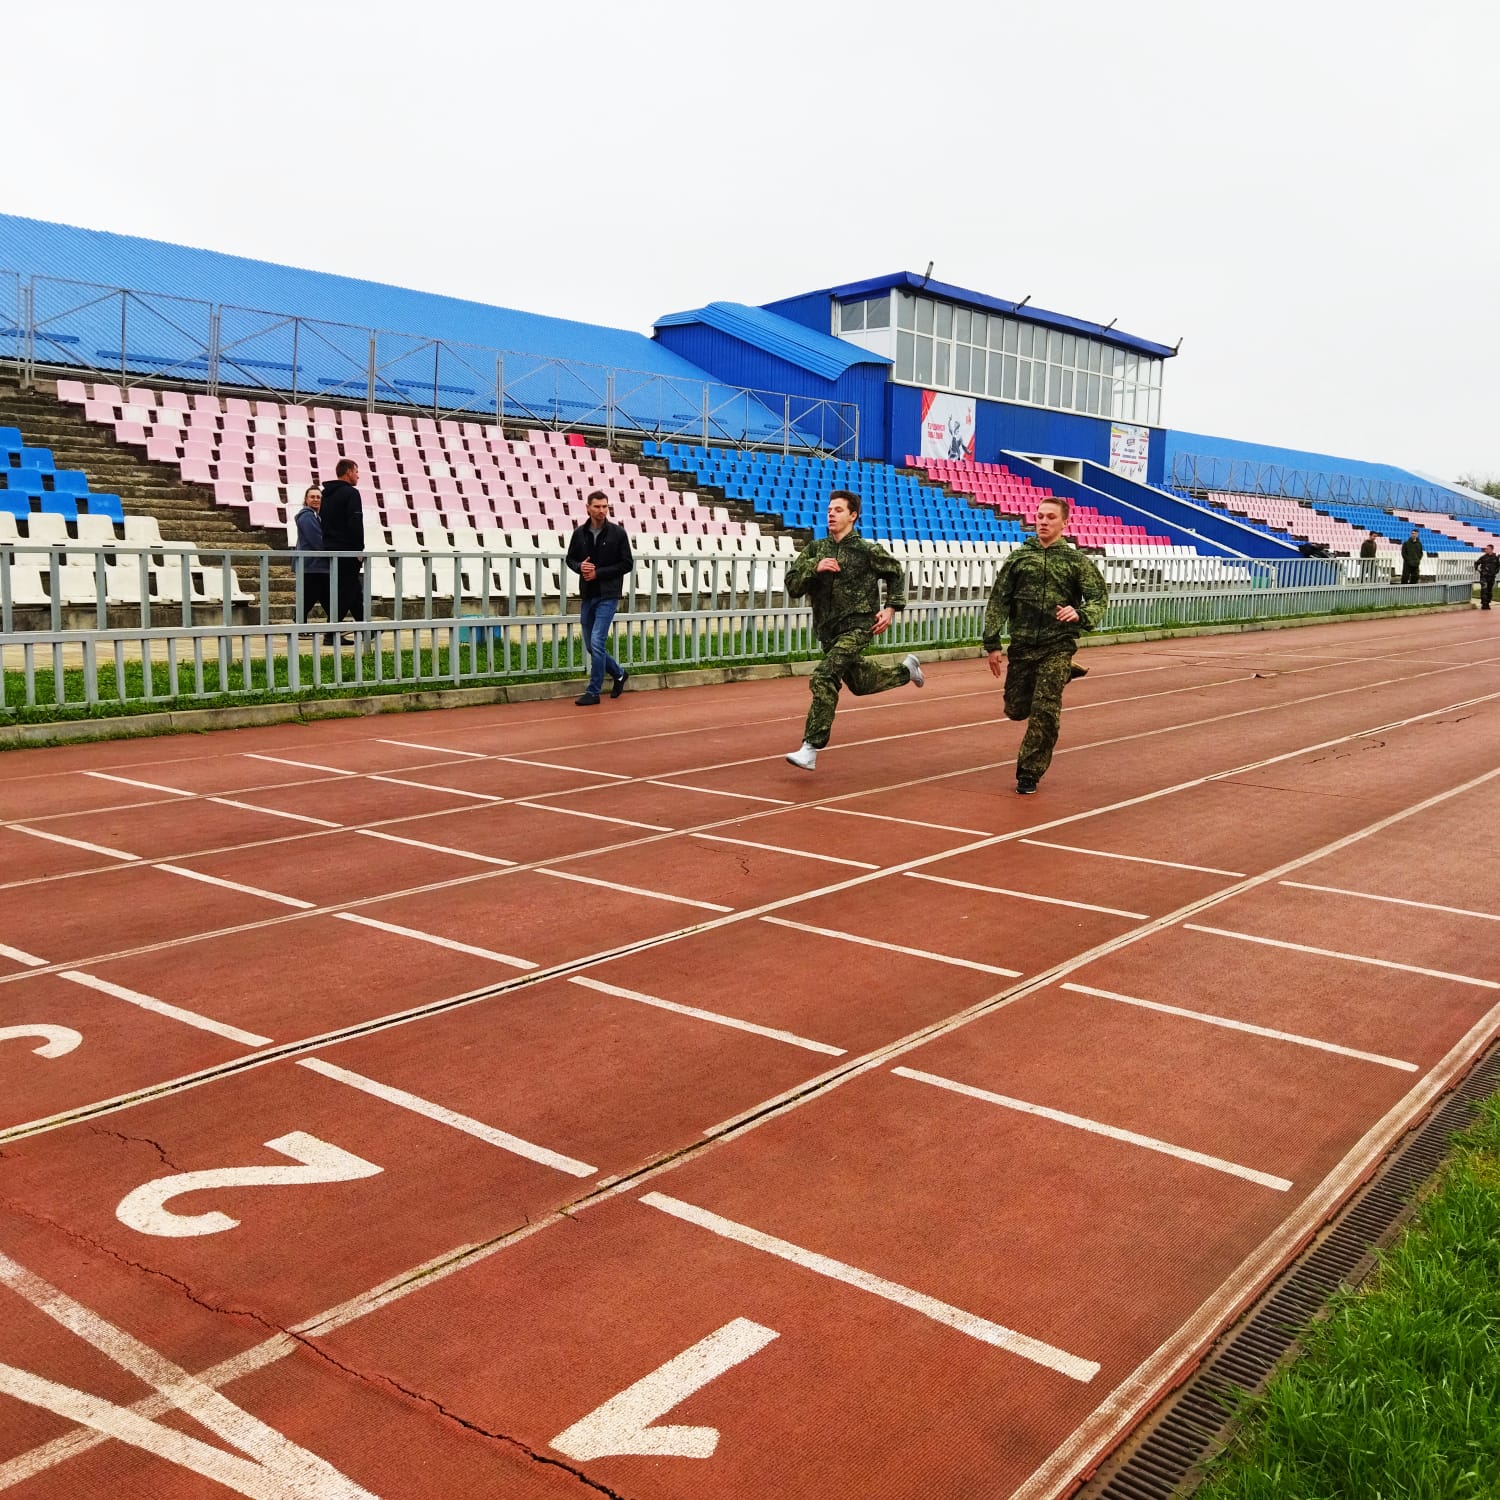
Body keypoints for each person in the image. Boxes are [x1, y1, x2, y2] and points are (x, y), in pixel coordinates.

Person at [784, 490, 923, 771]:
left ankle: (810, 748)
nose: (831, 514)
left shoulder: (867, 551)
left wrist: (891, 608)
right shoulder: (815, 550)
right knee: (860, 684)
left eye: (838, 510)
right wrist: (814, 567)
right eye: (829, 510)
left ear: (853, 516)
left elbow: (896, 573)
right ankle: (906, 671)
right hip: (827, 631)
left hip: (858, 626)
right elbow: (793, 585)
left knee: (824, 676)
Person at [983, 496, 1108, 795]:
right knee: (1016, 709)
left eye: (1050, 517)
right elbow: (999, 600)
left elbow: (1099, 598)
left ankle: (1029, 773)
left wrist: (1080, 614)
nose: (1043, 521)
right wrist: (992, 643)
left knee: (1045, 711)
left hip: (1057, 645)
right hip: (1023, 645)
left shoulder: (1076, 562)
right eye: (1040, 516)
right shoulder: (1019, 559)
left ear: (1065, 523)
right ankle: (1066, 672)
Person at [565, 490, 634, 705]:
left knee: (597, 641)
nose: (602, 510)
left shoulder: (618, 533)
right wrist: (580, 566)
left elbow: (627, 564)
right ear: (588, 508)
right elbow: (570, 559)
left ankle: (593, 691)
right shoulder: (579, 533)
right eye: (597, 506)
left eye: (605, 506)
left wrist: (599, 573)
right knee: (591, 645)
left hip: (608, 595)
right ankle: (619, 673)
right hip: (588, 594)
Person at [319, 458, 365, 642]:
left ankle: (365, 627)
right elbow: (355, 522)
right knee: (346, 591)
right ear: (348, 472)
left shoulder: (326, 494)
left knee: (352, 588)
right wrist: (358, 549)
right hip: (347, 549)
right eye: (356, 471)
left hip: (330, 548)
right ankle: (331, 633)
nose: (358, 476)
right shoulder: (351, 493)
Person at [293, 483, 332, 636]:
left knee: (324, 596)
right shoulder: (307, 516)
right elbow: (317, 540)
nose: (316, 499)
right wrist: (330, 552)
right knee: (310, 595)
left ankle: (334, 624)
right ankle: (300, 625)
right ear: (306, 499)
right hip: (311, 564)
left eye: (318, 497)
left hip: (316, 563)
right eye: (312, 497)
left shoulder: (315, 516)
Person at [1476, 543, 1498, 610]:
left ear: (1491, 549)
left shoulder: (1495, 558)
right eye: (1486, 549)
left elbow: (1498, 566)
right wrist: (1478, 570)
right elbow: (1476, 563)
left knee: (1489, 590)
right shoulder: (1483, 557)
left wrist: (1495, 572)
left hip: (1491, 577)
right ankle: (1484, 603)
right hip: (1484, 576)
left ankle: (1487, 603)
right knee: (1484, 589)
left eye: (1487, 549)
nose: (1486, 550)